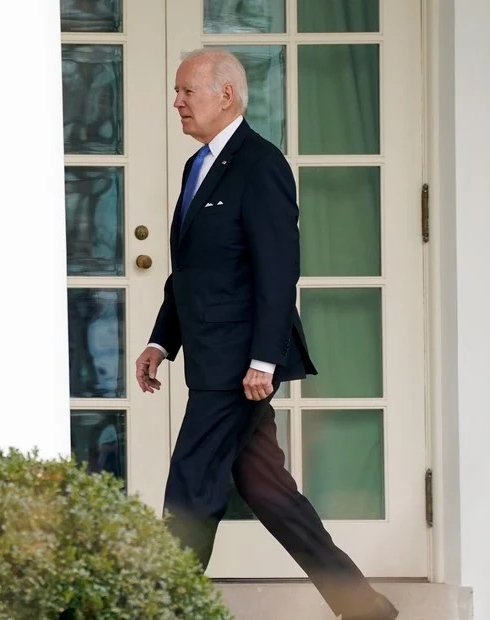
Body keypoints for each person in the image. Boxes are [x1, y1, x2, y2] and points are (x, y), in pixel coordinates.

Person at [134, 48, 399, 620]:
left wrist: (263, 358)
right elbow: (193, 272)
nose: (176, 102)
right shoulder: (196, 166)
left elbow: (278, 271)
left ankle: (156, 607)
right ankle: (365, 608)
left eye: (187, 91)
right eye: (177, 92)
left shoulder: (262, 164)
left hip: (237, 365)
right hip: (209, 355)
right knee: (269, 491)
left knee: (192, 485)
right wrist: (161, 340)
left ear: (224, 95)